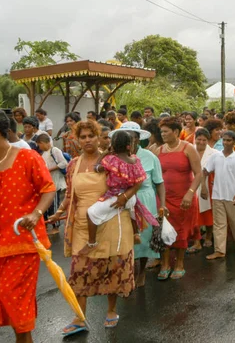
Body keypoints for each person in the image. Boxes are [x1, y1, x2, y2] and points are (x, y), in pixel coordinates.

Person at [0, 108, 55, 342]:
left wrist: (36, 215)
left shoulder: (28, 157)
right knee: (8, 300)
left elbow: (48, 190)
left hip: (24, 242)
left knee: (14, 296)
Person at [49, 120, 134, 333]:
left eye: (91, 136)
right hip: (82, 225)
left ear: (98, 138)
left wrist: (123, 198)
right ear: (77, 140)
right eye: (83, 137)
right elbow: (70, 195)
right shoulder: (73, 165)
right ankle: (79, 318)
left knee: (112, 267)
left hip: (112, 220)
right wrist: (57, 213)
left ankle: (112, 310)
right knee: (79, 271)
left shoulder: (112, 161)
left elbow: (131, 184)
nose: (87, 140)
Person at [82, 131, 158, 256]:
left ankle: (91, 242)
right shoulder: (135, 160)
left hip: (115, 197)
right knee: (132, 210)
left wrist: (105, 154)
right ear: (129, 146)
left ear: (113, 145)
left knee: (91, 213)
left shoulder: (111, 160)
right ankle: (136, 233)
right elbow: (140, 179)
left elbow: (97, 168)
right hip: (131, 196)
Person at [113, 122, 167, 287]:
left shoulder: (150, 157)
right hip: (122, 201)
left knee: (143, 238)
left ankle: (141, 272)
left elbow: (159, 183)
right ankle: (127, 271)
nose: (130, 140)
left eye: (133, 137)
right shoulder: (114, 157)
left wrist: (162, 205)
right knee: (124, 236)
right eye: (126, 137)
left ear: (138, 139)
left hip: (145, 200)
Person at [153, 117, 202, 280]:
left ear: (175, 132)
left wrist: (190, 192)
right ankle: (165, 264)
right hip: (164, 198)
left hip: (184, 198)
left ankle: (179, 263)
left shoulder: (188, 148)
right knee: (163, 230)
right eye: (161, 132)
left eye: (166, 131)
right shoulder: (158, 150)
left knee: (181, 230)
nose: (163, 134)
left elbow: (199, 173)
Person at [201, 130, 235, 260]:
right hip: (217, 196)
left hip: (232, 196)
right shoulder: (216, 156)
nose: (226, 143)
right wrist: (204, 187)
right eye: (224, 140)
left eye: (229, 140)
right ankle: (220, 250)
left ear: (234, 142)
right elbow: (205, 172)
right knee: (219, 224)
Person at [188, 129, 217, 253]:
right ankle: (196, 240)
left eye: (204, 140)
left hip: (208, 185)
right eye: (199, 139)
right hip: (191, 185)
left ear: (208, 140)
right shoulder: (189, 150)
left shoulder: (214, 153)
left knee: (207, 212)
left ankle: (209, 236)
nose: (201, 142)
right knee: (194, 213)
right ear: (195, 139)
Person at [36, 133, 68, 235]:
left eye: (39, 144)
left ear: (43, 143)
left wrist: (49, 170)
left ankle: (56, 226)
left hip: (55, 182)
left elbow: (63, 163)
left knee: (54, 206)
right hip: (47, 183)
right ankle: (46, 225)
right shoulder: (44, 153)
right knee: (46, 206)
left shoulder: (55, 150)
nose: (39, 147)